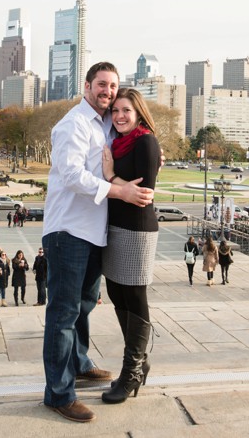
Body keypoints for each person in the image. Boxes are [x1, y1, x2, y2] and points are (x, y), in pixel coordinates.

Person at [40, 62, 155, 423]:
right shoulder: (73, 124)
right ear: (87, 86)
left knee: (86, 303)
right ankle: (59, 394)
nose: (107, 92)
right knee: (63, 313)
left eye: (113, 86)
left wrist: (153, 154)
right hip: (68, 231)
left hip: (94, 232)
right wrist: (118, 189)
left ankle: (79, 363)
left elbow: (135, 139)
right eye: (102, 85)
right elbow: (73, 175)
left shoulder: (106, 122)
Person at [98, 88, 161, 404]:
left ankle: (131, 371)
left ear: (138, 113)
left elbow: (144, 194)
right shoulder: (116, 142)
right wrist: (118, 185)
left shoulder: (145, 142)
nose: (120, 116)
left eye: (126, 110)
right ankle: (140, 361)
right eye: (116, 111)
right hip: (115, 226)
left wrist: (110, 178)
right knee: (116, 293)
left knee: (135, 296)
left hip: (137, 230)